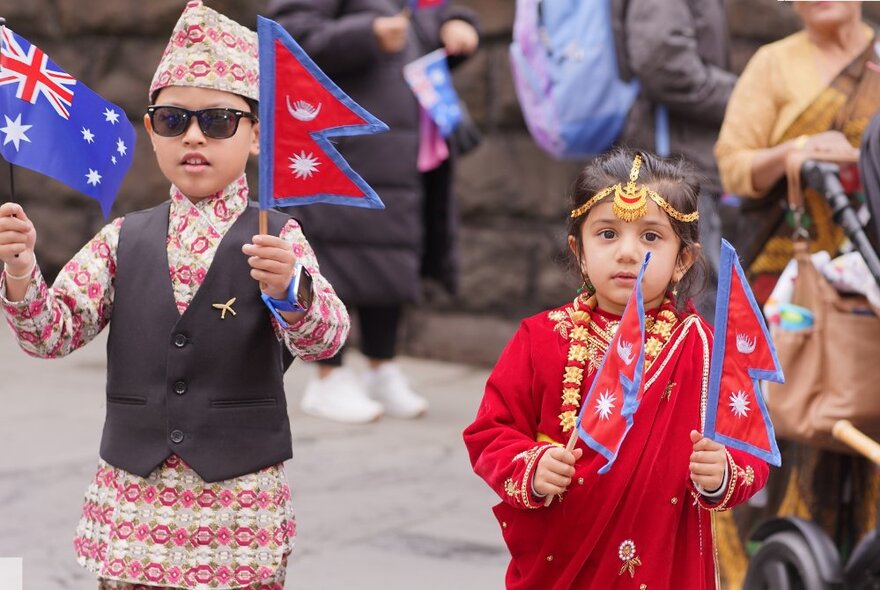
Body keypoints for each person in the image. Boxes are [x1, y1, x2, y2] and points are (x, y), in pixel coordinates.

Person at [0, 2, 349, 588]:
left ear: (256, 134)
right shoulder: (122, 237)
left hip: (239, 506)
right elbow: (50, 333)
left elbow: (326, 339)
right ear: (151, 133)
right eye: (172, 120)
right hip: (134, 502)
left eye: (217, 121)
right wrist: (20, 270)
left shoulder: (277, 237)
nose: (193, 136)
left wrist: (292, 289)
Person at [463, 148, 770, 589]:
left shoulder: (705, 349)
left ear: (683, 259)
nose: (628, 253)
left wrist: (724, 472)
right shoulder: (541, 337)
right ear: (580, 250)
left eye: (650, 237)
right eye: (608, 234)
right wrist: (533, 465)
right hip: (563, 557)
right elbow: (489, 433)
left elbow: (750, 448)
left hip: (665, 558)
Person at [714, 2, 880, 585]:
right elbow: (732, 166)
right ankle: (773, 568)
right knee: (794, 424)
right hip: (790, 283)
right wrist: (794, 153)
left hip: (870, 278)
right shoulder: (773, 64)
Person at [267, 0, 480, 424]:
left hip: (400, 143)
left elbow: (432, 15)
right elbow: (288, 35)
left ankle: (383, 366)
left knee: (391, 253)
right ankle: (328, 375)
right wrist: (368, 33)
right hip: (345, 139)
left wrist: (457, 25)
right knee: (340, 255)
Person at [612, 0, 737, 322]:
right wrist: (745, 96)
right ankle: (693, 372)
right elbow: (665, 66)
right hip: (673, 168)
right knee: (694, 287)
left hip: (678, 158)